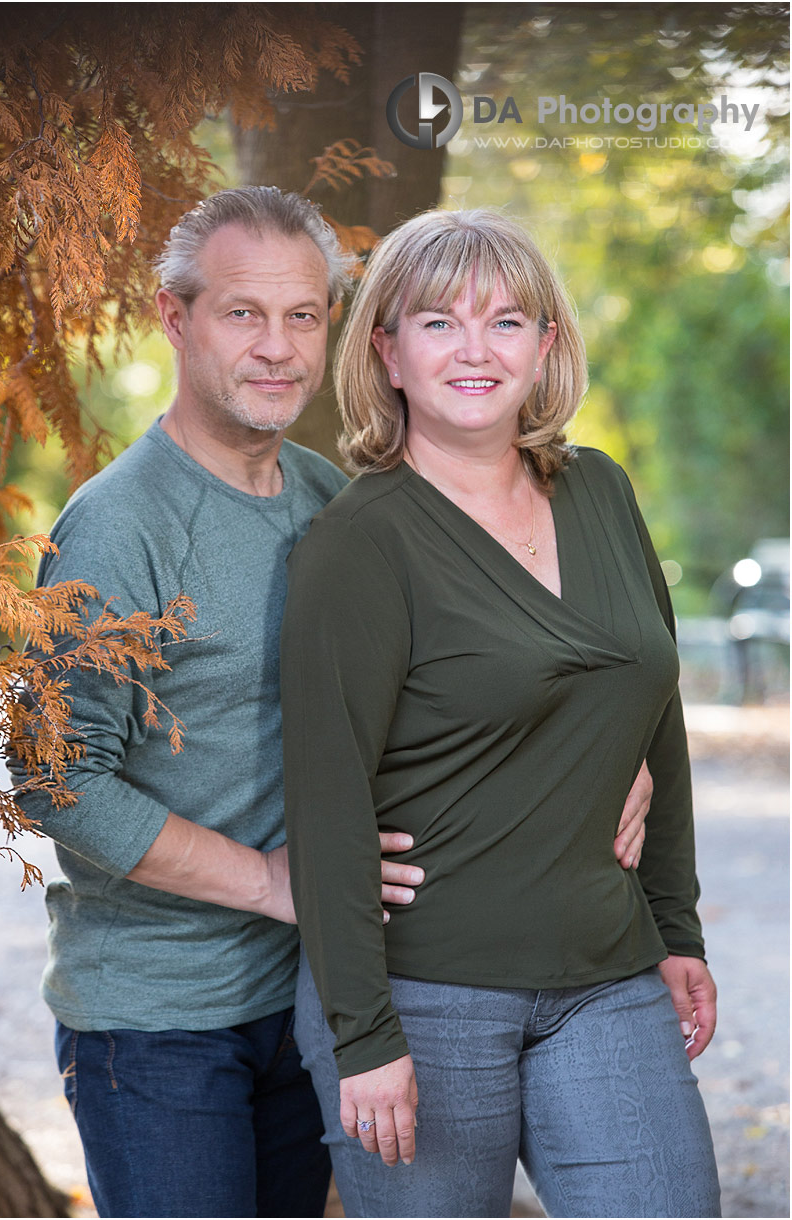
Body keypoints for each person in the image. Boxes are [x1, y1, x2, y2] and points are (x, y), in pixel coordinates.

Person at [280, 208, 721, 1218]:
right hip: (426, 995)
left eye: (507, 320)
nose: (475, 350)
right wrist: (363, 1035)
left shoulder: (601, 490)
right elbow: (328, 796)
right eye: (438, 323)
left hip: (608, 979)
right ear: (386, 349)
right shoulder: (358, 543)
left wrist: (676, 926)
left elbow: (656, 719)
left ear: (546, 344)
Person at [7, 186, 432, 1220]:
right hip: (154, 1024)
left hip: (306, 1003)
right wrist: (274, 880)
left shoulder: (330, 497)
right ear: (174, 317)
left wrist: (628, 765)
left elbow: (438, 685)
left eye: (303, 315)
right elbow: (53, 776)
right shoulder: (117, 529)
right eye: (244, 312)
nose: (278, 347)